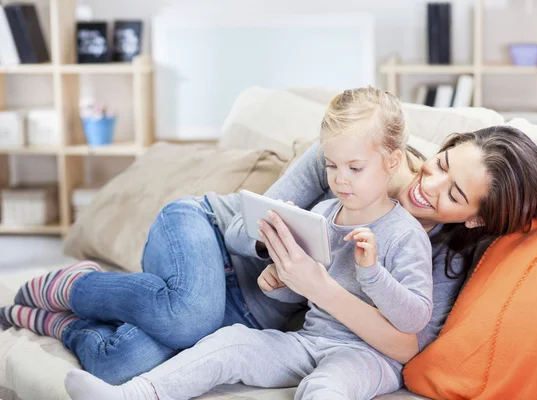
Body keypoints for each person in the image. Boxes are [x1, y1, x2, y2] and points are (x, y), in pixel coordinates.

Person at [0, 92, 537, 387]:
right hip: (207, 232)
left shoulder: (437, 258)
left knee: (126, 361)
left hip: (249, 311)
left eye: (455, 194)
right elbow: (248, 223)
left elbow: (404, 345)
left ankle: (58, 315)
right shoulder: (358, 157)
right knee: (190, 314)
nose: (429, 186)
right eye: (440, 163)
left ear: (473, 220)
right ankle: (74, 286)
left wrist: (315, 283)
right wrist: (278, 250)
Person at [64, 86, 436, 400]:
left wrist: (371, 273)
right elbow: (305, 294)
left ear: (393, 162)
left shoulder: (406, 234)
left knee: (326, 386)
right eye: (331, 166)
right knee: (234, 343)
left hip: (365, 355)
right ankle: (134, 394)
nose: (340, 179)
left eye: (354, 168)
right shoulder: (324, 211)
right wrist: (279, 282)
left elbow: (414, 318)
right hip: (310, 339)